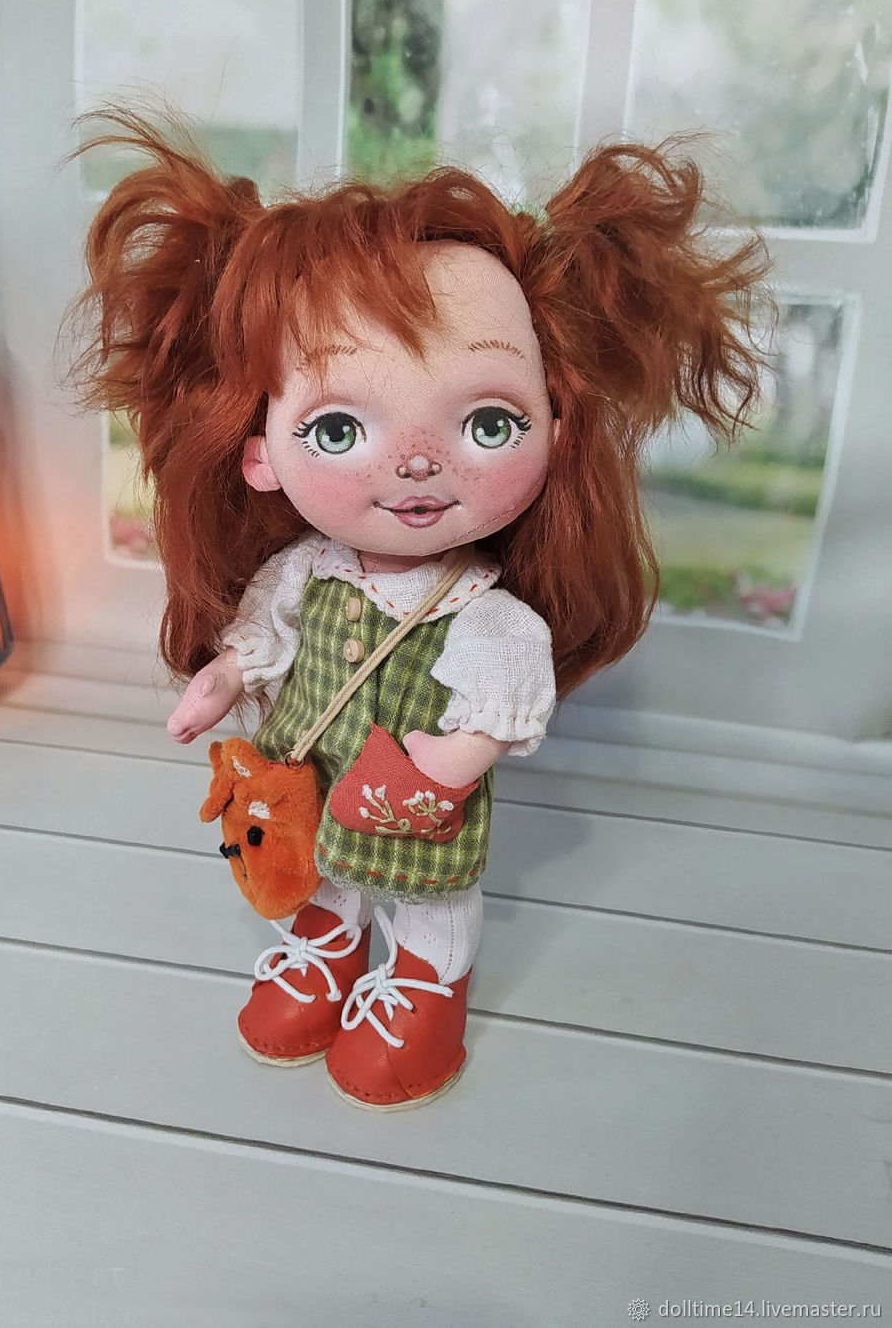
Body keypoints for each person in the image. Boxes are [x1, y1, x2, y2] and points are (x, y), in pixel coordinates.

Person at [70, 111, 768, 1110]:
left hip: (415, 801)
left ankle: (427, 988)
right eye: (337, 427)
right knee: (321, 877)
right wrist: (223, 676)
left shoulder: (482, 610)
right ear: (258, 449)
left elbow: (499, 700)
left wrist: (447, 764)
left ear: (557, 426)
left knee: (427, 897)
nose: (414, 463)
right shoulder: (306, 571)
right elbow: (264, 635)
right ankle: (326, 951)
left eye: (488, 421)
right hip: (310, 773)